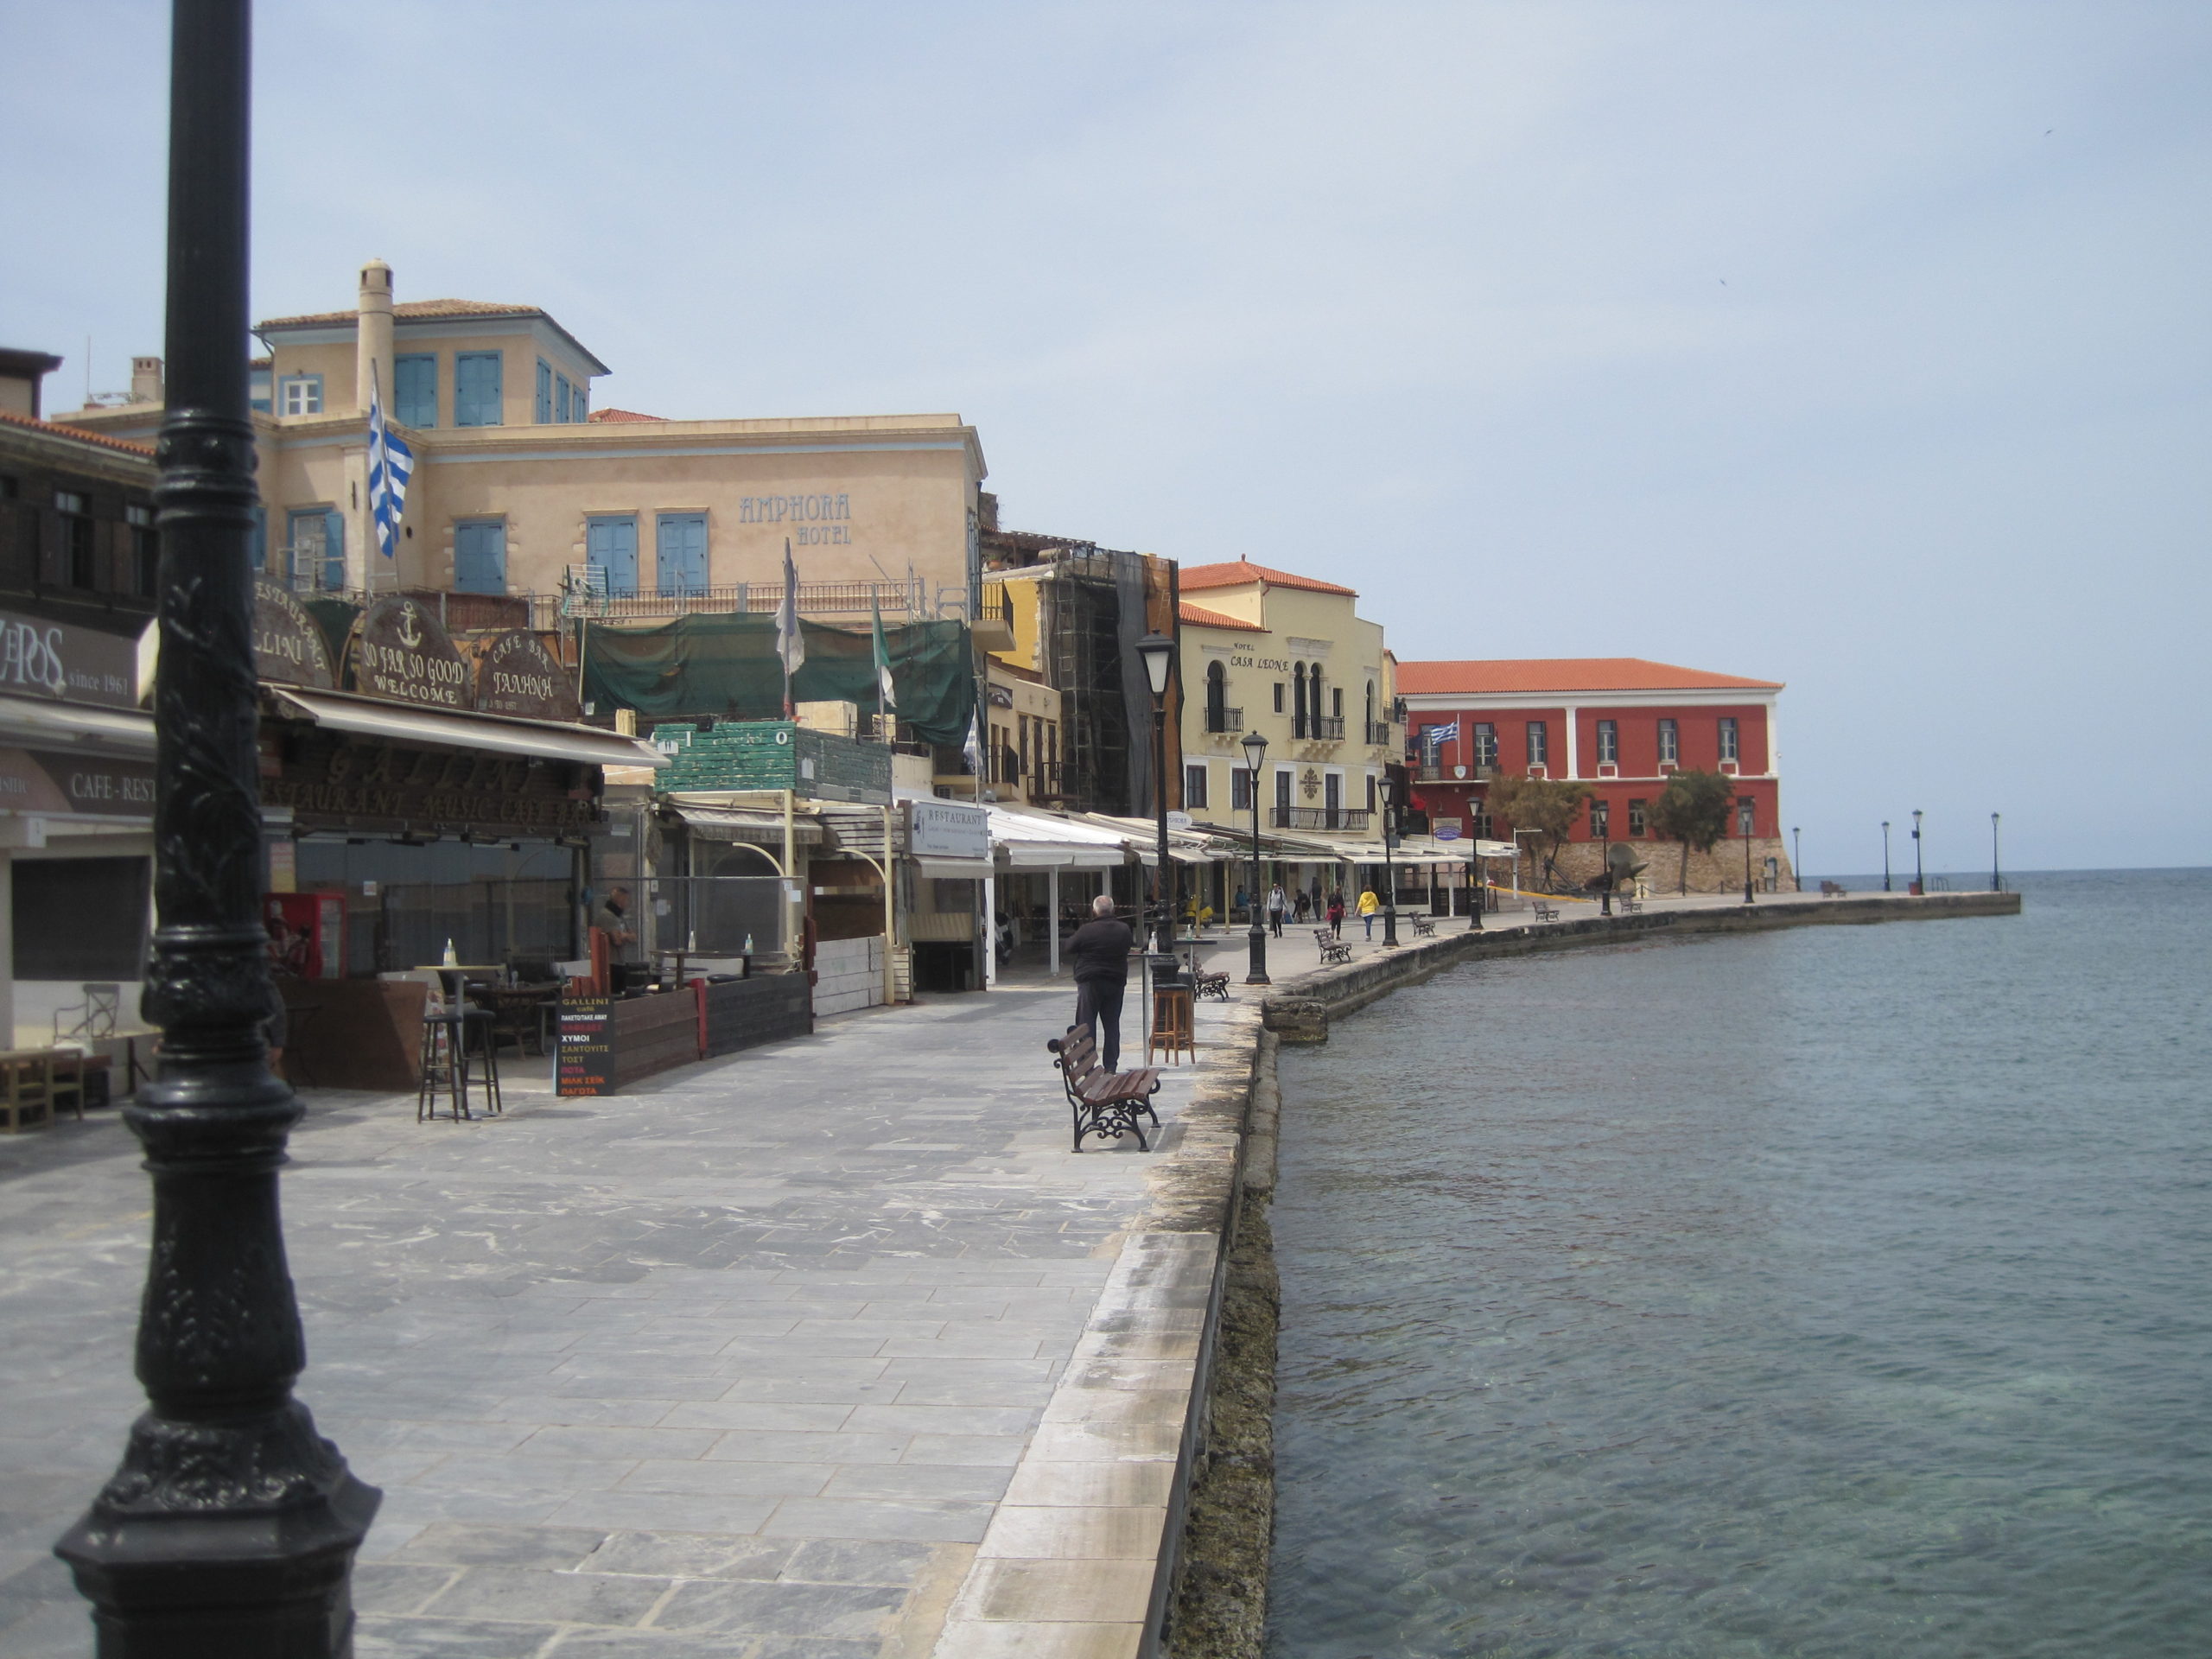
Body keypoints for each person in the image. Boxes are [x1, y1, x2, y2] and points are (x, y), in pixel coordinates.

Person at [1067, 893, 1135, 1071]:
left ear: (1094, 910)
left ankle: (1087, 1065)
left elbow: (1069, 947)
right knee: (1112, 1024)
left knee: (1086, 1024)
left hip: (1090, 981)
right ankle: (1111, 1066)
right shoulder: (1124, 929)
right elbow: (1128, 946)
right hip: (1115, 981)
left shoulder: (1086, 930)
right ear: (1113, 909)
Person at [592, 885, 637, 956]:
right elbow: (617, 941)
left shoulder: (620, 916)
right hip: (611, 962)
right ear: (620, 899)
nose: (628, 903)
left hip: (621, 960)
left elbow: (634, 938)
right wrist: (627, 936)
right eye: (627, 899)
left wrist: (624, 935)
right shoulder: (607, 916)